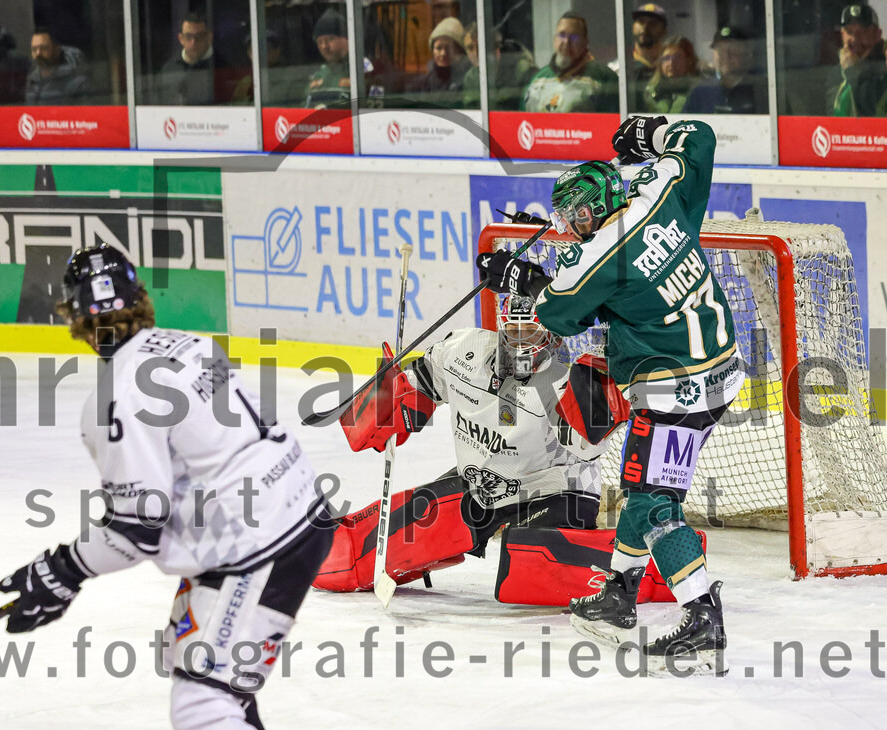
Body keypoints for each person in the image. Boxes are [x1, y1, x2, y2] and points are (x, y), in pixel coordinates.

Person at [0, 245, 335, 730]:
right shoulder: (189, 343)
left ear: (74, 319)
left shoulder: (115, 397)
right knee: (193, 656)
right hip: (299, 512)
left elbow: (137, 529)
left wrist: (62, 569)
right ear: (140, 299)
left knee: (201, 702)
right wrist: (66, 571)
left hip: (257, 543)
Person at [477, 116, 744, 675]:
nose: (568, 228)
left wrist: (516, 277)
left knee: (654, 503)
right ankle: (619, 594)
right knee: (639, 489)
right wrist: (649, 136)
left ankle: (702, 617)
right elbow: (698, 137)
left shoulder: (598, 255)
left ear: (591, 210)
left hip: (675, 394)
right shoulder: (660, 190)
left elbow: (557, 311)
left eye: (572, 216)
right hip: (721, 372)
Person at [311, 296, 684, 609]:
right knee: (364, 551)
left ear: (551, 337)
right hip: (481, 483)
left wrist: (599, 406)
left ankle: (651, 568)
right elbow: (421, 380)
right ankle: (319, 542)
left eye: (530, 332)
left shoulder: (562, 384)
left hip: (555, 492)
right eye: (512, 330)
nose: (519, 342)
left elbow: (587, 448)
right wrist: (394, 399)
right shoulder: (463, 350)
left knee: (529, 562)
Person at [521, 11, 618, 113]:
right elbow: (522, 120)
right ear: (554, 39)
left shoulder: (604, 79)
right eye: (562, 35)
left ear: (585, 41)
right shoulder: (538, 79)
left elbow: (613, 120)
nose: (566, 42)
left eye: (574, 37)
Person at [683, 26, 768, 114]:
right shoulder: (702, 91)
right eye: (720, 50)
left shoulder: (762, 89)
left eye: (733, 50)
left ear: (748, 55)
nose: (726, 56)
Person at [461, 21, 537, 111]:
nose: (476, 53)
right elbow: (473, 113)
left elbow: (533, 108)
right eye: (470, 48)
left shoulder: (522, 69)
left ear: (496, 47)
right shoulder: (470, 78)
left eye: (480, 46)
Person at [827, 3, 887, 116]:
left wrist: (852, 71)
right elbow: (830, 116)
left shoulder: (883, 69)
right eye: (849, 32)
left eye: (862, 32)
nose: (854, 39)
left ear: (877, 35)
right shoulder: (836, 73)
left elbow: (871, 112)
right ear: (842, 34)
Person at [156, 11, 225, 105]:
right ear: (180, 39)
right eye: (188, 37)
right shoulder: (168, 70)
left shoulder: (224, 68)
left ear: (209, 37)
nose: (193, 43)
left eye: (199, 37)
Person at [408, 16, 471, 107]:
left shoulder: (468, 79)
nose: (443, 53)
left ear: (459, 50)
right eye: (438, 48)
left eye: (448, 48)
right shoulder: (424, 84)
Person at [25, 28, 89, 105]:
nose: (38, 53)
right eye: (34, 49)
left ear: (57, 50)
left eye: (44, 48)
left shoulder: (76, 82)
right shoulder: (31, 82)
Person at [642, 36, 701, 114]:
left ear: (689, 60)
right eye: (666, 58)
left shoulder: (699, 90)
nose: (671, 63)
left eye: (677, 58)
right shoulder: (650, 90)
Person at [627, 3, 669, 110]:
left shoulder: (672, 66)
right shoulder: (621, 68)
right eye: (641, 22)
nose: (645, 27)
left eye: (653, 23)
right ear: (632, 27)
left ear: (664, 30)